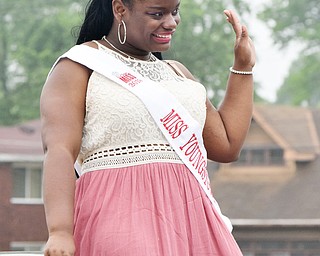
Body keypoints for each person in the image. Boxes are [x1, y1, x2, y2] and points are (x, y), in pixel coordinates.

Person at [40, 0, 255, 254]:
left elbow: (227, 145)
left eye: (175, 11)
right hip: (120, 218)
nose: (171, 22)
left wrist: (243, 66)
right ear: (120, 9)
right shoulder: (80, 66)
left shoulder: (178, 73)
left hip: (193, 223)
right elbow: (60, 151)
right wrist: (60, 231)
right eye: (157, 14)